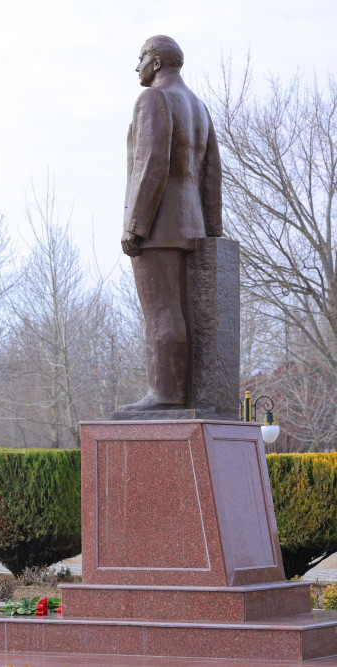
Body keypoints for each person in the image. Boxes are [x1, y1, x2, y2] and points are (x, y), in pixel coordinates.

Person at [119, 35, 222, 411]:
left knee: (161, 311)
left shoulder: (153, 99)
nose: (137, 67)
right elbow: (212, 173)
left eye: (141, 58)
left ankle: (165, 393)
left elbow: (153, 163)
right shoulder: (198, 106)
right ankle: (176, 392)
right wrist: (212, 230)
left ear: (157, 61)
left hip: (159, 223)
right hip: (190, 222)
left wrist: (136, 224)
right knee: (178, 310)